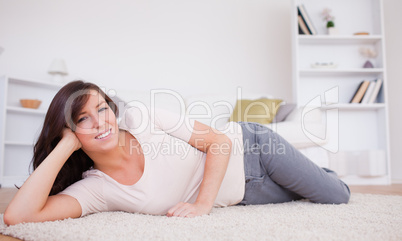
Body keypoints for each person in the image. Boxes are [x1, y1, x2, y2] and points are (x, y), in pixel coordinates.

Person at [3, 80, 350, 225]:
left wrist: (201, 206)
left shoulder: (141, 116)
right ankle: (315, 172)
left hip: (253, 149)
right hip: (247, 194)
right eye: (83, 119)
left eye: (103, 109)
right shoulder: (97, 189)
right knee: (308, 195)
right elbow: (18, 217)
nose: (101, 122)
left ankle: (324, 174)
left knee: (336, 195)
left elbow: (220, 142)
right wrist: (65, 144)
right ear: (70, 131)